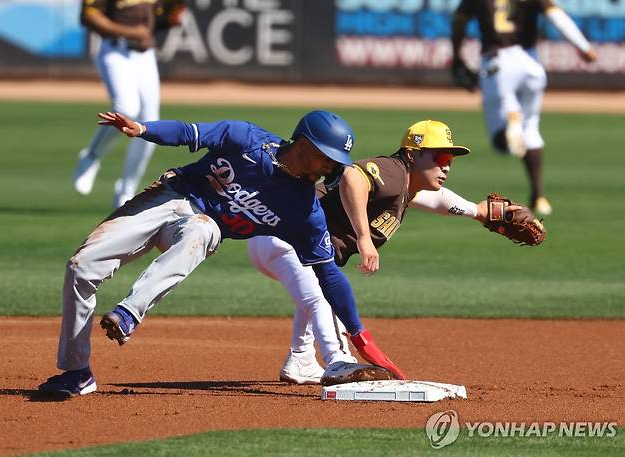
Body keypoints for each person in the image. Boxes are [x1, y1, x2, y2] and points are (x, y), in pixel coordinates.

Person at [38, 110, 406, 397]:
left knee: (203, 228)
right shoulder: (244, 138)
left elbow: (329, 275)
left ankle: (130, 312)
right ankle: (77, 372)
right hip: (170, 198)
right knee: (81, 267)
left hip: (198, 230)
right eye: (327, 159)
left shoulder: (304, 210)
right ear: (304, 145)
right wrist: (143, 130)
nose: (331, 168)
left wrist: (359, 334)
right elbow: (188, 133)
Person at [248, 120, 515, 385]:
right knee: (322, 297)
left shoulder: (405, 186)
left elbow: (438, 198)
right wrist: (364, 238)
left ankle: (302, 359)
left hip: (281, 242)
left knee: (317, 290)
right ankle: (340, 361)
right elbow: (353, 176)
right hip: (283, 240)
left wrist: (477, 212)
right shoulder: (394, 171)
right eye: (439, 156)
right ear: (412, 154)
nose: (445, 165)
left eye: (450, 159)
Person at [451, 0, 596, 216]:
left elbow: (459, 22)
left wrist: (457, 56)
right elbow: (558, 17)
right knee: (531, 130)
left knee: (501, 143)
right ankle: (539, 197)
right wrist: (583, 47)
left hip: (497, 63)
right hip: (531, 64)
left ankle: (511, 121)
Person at [73, 0, 184, 208]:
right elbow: (89, 16)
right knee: (127, 109)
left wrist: (169, 15)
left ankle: (126, 189)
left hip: (144, 55)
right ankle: (91, 156)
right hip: (115, 50)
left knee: (150, 125)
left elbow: (164, 14)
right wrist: (133, 32)